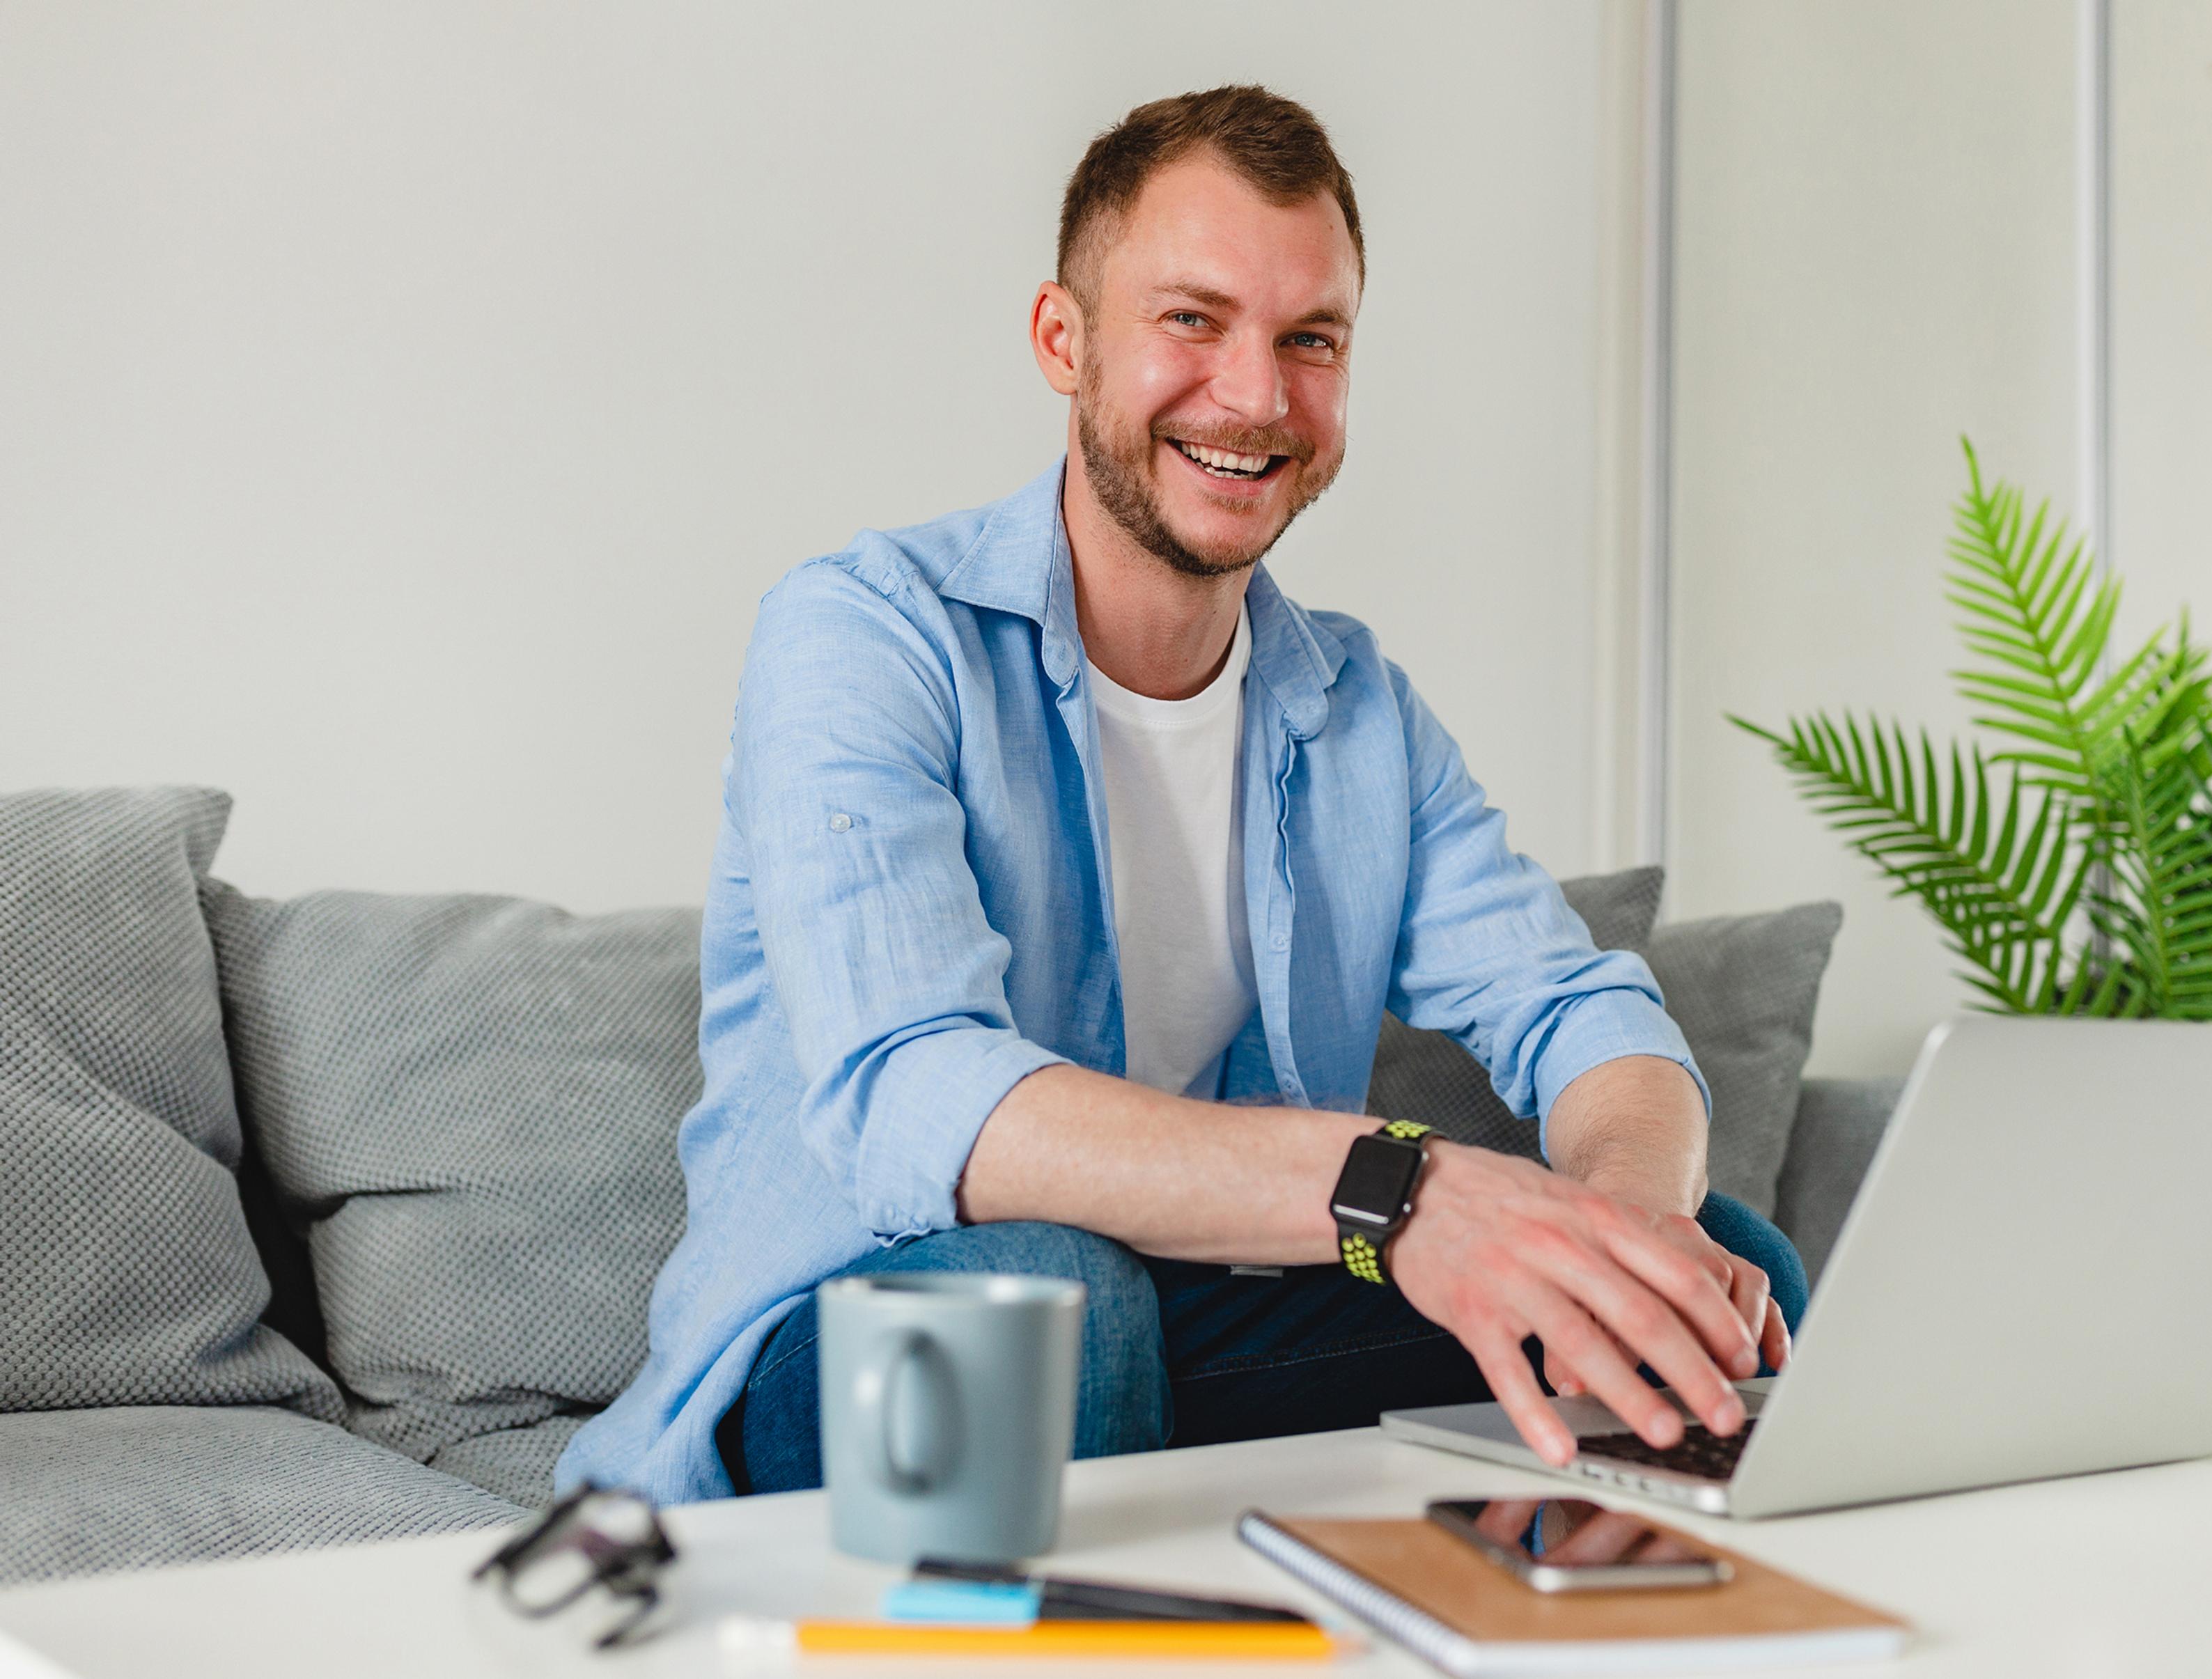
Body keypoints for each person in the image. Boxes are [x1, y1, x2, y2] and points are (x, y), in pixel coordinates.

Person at [562, 84, 1806, 1506]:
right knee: (1049, 1300)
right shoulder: (864, 634)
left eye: (1310, 340)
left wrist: (1621, 1238)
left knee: (1728, 1279)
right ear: (1064, 340)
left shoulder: (1358, 714)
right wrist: (1400, 1193)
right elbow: (916, 1094)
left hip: (1202, 1324)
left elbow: (1589, 1019)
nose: (1258, 396)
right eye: (1192, 320)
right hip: (866, 1343)